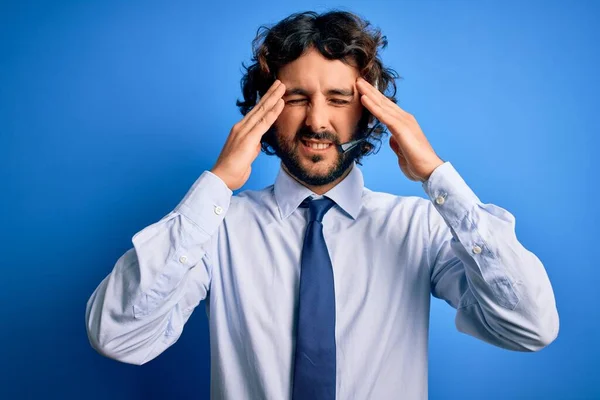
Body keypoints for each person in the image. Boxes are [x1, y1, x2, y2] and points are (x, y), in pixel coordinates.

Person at [85, 10, 559, 400]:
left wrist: (438, 177)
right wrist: (217, 184)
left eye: (338, 98)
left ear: (368, 111)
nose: (317, 121)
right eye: (295, 98)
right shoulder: (217, 229)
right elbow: (117, 336)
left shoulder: (419, 228)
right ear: (264, 111)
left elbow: (529, 327)